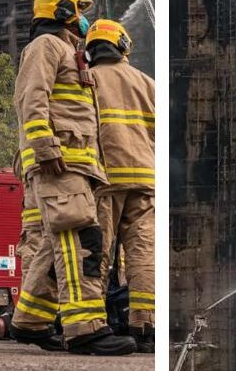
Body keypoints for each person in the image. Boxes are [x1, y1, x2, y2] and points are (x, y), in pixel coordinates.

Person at [10, 0, 135, 356]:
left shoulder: (68, 51)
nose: (83, 20)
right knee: (81, 240)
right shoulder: (46, 46)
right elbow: (32, 98)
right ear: (61, 10)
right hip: (60, 161)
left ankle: (30, 322)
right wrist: (45, 147)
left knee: (55, 245)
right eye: (78, 10)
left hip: (76, 163)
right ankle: (86, 329)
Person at [85, 20, 156, 353]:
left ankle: (95, 325)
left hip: (104, 180)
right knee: (143, 255)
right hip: (144, 180)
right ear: (123, 45)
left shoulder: (87, 80)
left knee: (97, 252)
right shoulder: (147, 83)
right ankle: (144, 326)